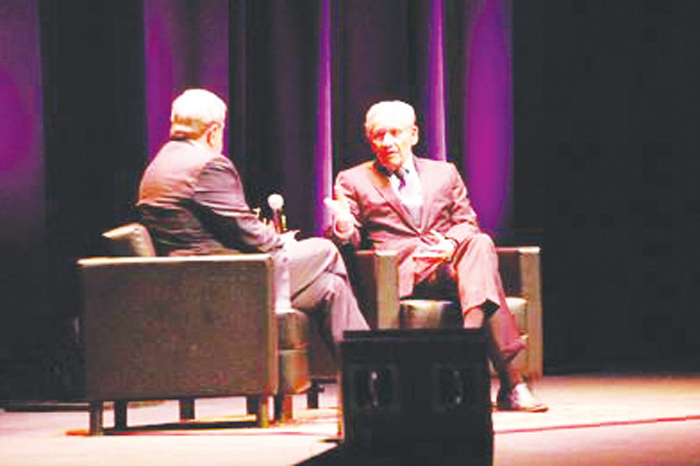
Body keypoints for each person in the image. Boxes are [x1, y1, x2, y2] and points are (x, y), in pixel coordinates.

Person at [326, 100, 547, 412]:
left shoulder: (445, 173)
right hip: (403, 272)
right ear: (370, 139)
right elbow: (350, 240)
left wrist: (450, 246)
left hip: (448, 265)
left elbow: (467, 222)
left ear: (413, 134)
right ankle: (511, 383)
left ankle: (464, 353)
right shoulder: (352, 179)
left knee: (480, 243)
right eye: (378, 135)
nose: (387, 142)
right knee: (485, 281)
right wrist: (343, 225)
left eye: (395, 133)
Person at [137, 88, 369, 352]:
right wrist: (280, 241)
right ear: (213, 131)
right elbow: (248, 232)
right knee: (326, 250)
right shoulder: (207, 165)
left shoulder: (158, 164)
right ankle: (369, 365)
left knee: (331, 287)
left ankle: (366, 368)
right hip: (226, 282)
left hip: (192, 281)